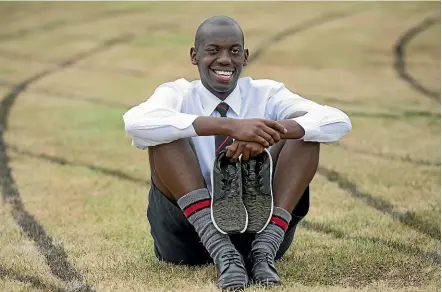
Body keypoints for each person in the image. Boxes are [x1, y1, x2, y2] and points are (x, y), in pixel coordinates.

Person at [123, 15, 352, 290]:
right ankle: (222, 252)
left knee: (306, 134)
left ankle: (264, 249)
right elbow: (135, 123)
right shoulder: (178, 94)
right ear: (194, 56)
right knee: (165, 133)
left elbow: (337, 121)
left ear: (245, 57)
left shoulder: (266, 93)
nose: (224, 59)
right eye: (213, 50)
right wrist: (230, 125)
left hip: (259, 233)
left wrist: (266, 134)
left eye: (234, 51)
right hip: (188, 238)